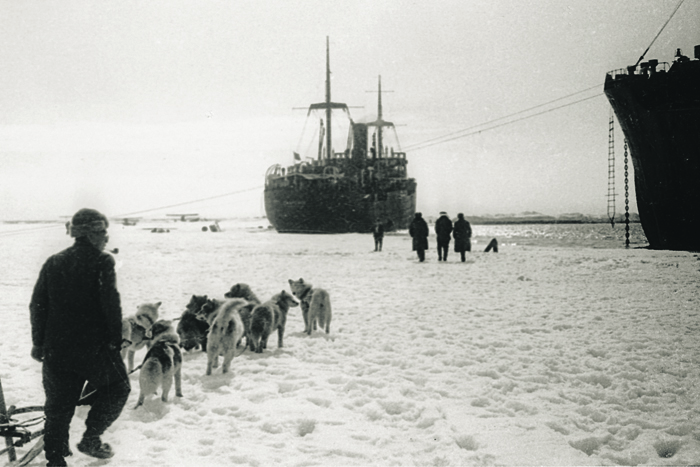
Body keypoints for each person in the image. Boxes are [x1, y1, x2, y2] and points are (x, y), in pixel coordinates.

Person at [29, 208, 130, 466]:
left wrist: (39, 343)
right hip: (93, 350)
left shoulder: (54, 261)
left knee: (58, 407)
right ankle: (91, 438)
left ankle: (55, 458)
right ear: (90, 233)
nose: (106, 238)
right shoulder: (102, 261)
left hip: (56, 349)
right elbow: (111, 305)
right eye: (103, 232)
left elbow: (38, 305)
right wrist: (115, 341)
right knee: (118, 387)